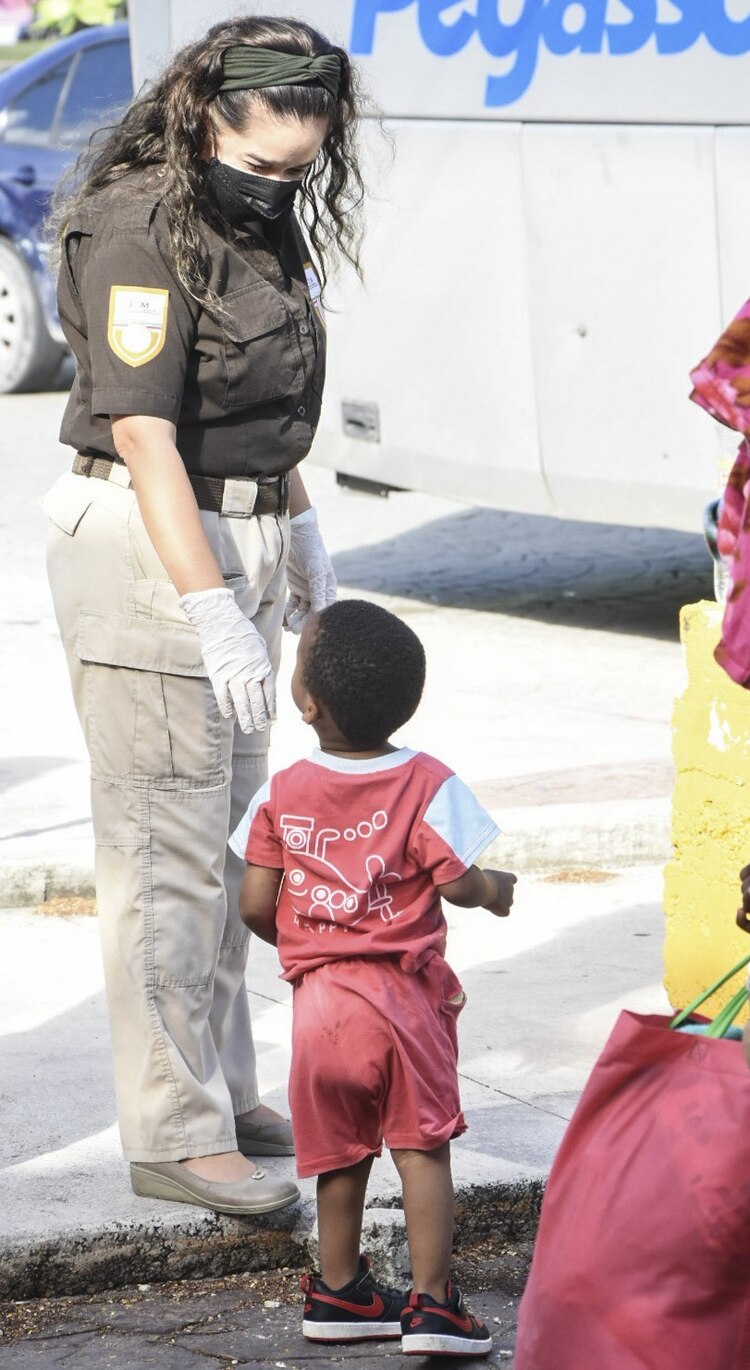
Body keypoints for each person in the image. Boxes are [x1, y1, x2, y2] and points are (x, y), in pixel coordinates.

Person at [40, 15, 365, 1215]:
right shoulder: (139, 221)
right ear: (204, 116)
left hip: (245, 528)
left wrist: (303, 535)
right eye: (265, 162)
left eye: (303, 166)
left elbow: (265, 408)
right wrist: (212, 610)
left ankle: (220, 1087)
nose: (282, 184)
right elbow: (143, 429)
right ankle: (171, 1130)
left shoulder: (257, 218)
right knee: (162, 850)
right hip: (149, 540)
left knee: (226, 840)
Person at [229, 599, 517, 1357]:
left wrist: (310, 944)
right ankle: (433, 1304)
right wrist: (497, 890)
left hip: (320, 1005)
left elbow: (256, 904)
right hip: (404, 1002)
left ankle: (338, 1289)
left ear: (307, 702)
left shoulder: (281, 790)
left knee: (339, 1151)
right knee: (421, 1147)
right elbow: (458, 885)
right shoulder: (428, 780)